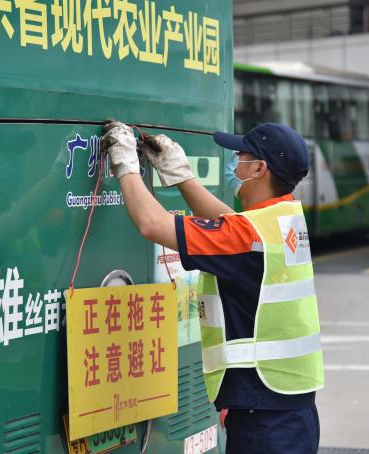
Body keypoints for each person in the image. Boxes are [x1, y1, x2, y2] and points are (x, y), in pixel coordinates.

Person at [101, 120, 324, 454]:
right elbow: (230, 226)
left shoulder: (248, 235)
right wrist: (181, 176)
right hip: (290, 407)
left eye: (242, 156)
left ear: (259, 169)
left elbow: (152, 224)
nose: (235, 162)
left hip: (265, 413)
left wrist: (125, 164)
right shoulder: (283, 218)